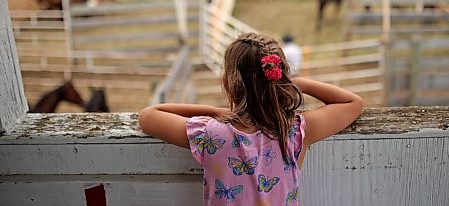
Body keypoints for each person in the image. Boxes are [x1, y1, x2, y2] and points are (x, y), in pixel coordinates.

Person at [139, 32, 363, 206]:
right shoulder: (294, 132)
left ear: (228, 82)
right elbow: (352, 103)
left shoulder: (211, 134)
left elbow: (148, 116)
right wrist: (296, 83)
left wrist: (213, 111)